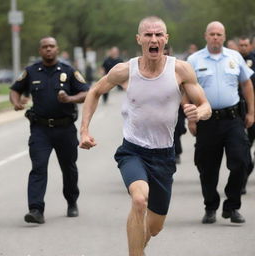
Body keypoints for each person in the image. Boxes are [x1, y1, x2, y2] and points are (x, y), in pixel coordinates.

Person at [79, 16, 211, 255]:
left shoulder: (180, 69)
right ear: (139, 39)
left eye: (159, 34)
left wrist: (198, 112)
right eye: (148, 35)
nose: (154, 39)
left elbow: (205, 105)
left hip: (164, 156)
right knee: (139, 200)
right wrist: (85, 130)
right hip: (134, 151)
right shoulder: (124, 71)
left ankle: (138, 246)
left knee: (155, 227)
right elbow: (95, 91)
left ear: (166, 39)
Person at [9, 36, 90, 224]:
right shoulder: (31, 72)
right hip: (40, 129)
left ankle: (71, 202)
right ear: (40, 50)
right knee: (38, 168)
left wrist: (69, 99)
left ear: (57, 49)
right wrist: (16, 103)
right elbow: (15, 90)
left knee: (68, 168)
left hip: (65, 128)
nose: (48, 49)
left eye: (51, 46)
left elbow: (86, 92)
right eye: (44, 46)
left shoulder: (69, 71)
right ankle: (36, 210)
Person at [187, 21, 254, 224]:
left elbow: (246, 83)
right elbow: (185, 89)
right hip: (206, 120)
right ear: (205, 36)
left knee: (242, 161)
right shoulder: (193, 60)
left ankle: (232, 206)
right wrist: (190, 118)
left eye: (219, 34)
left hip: (233, 119)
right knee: (207, 167)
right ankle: (211, 206)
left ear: (224, 37)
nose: (215, 37)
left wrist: (251, 111)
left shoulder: (234, 57)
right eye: (212, 34)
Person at [238, 36, 255, 194]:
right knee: (244, 151)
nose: (243, 47)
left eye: (246, 45)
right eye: (241, 45)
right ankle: (241, 182)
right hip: (244, 111)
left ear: (250, 46)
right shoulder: (234, 61)